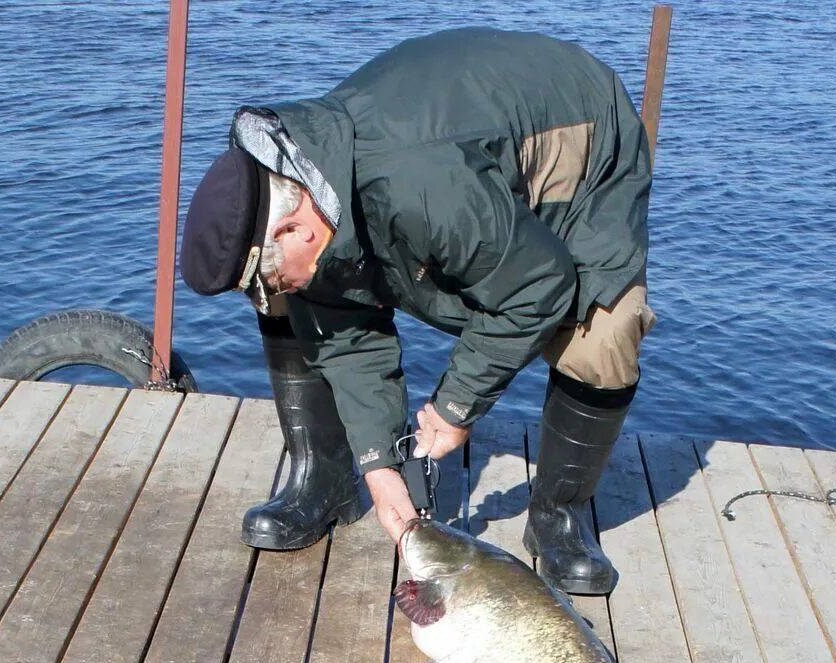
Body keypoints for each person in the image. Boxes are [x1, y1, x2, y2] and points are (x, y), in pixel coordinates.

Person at [180, 27, 654, 595]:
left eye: (266, 275)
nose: (266, 290)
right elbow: (347, 338)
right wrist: (379, 465)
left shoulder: (424, 189)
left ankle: (559, 514)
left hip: (577, 135)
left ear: (295, 225)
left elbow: (538, 286)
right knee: (297, 298)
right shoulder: (302, 188)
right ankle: (327, 481)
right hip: (459, 147)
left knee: (603, 330)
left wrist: (455, 407)